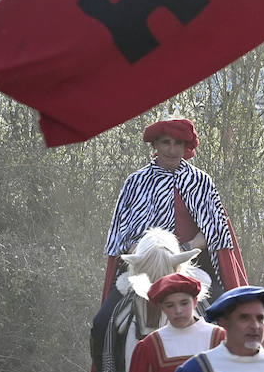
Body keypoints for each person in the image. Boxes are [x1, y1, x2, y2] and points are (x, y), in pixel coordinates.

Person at [104, 117, 248, 299]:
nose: (172, 150)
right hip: (143, 268)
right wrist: (148, 257)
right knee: (104, 319)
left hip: (192, 264)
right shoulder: (136, 182)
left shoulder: (200, 181)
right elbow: (122, 236)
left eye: (178, 143)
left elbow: (215, 231)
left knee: (227, 310)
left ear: (186, 146)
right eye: (166, 143)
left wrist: (185, 248)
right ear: (155, 144)